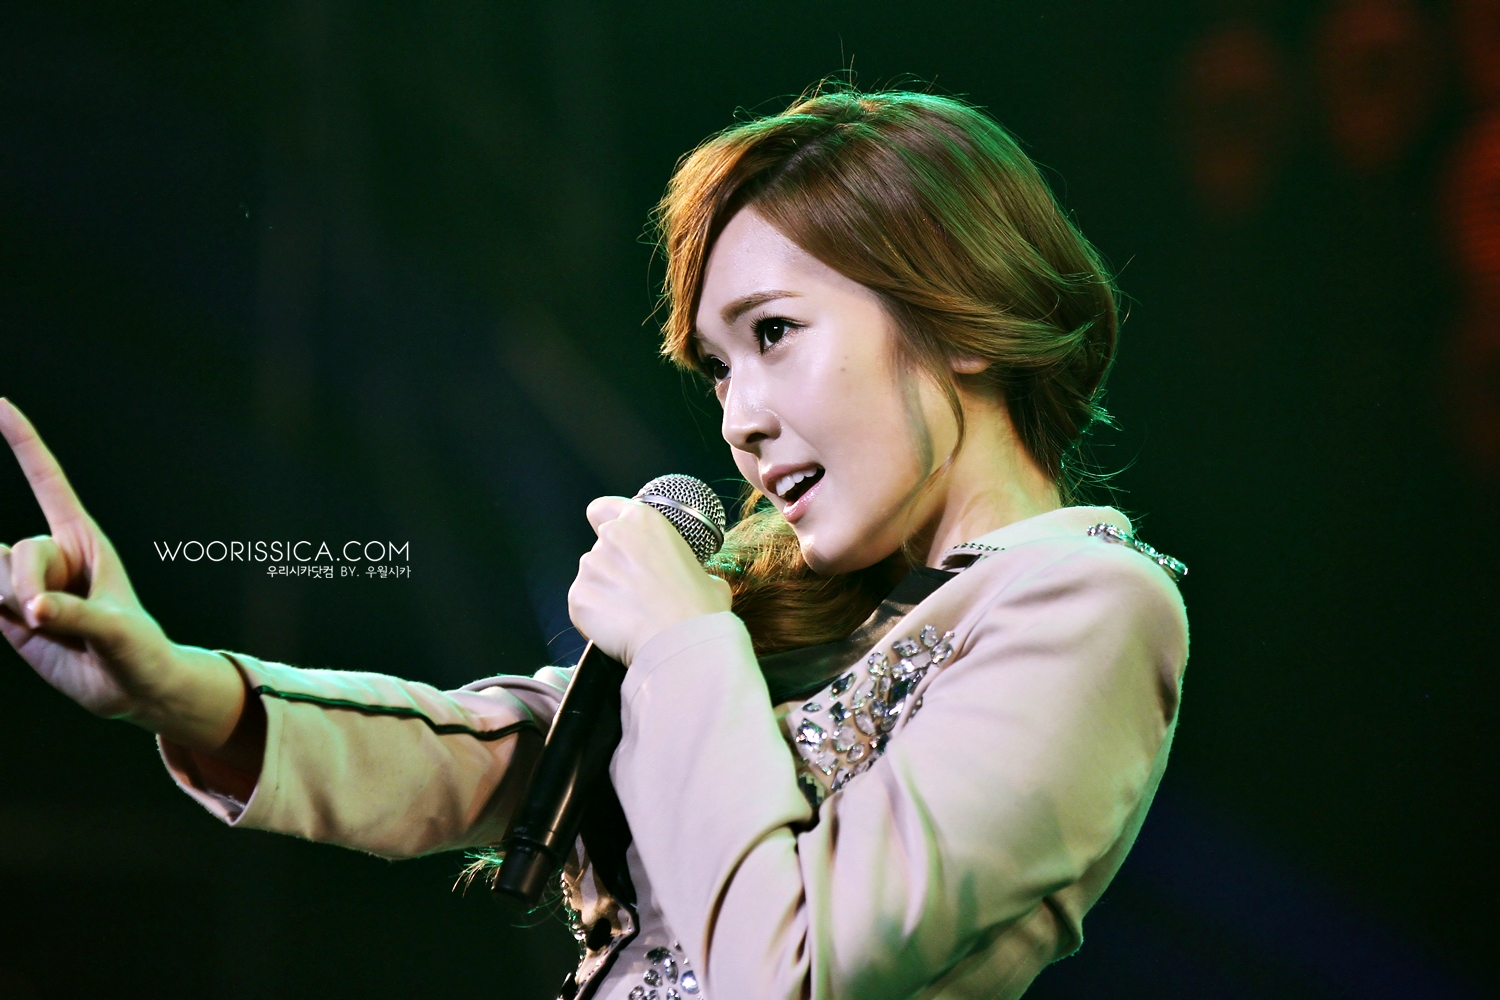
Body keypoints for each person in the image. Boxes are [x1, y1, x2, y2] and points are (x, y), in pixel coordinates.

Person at [0, 87, 1189, 1000]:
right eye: (717, 368)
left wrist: (680, 642)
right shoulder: (777, 610)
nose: (738, 418)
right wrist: (176, 687)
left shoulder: (1088, 603)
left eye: (775, 333)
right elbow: (500, 746)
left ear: (962, 316)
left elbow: (796, 966)